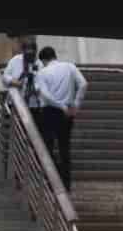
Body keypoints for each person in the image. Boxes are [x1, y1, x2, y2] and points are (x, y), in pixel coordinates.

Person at [32, 46, 87, 190]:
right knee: (64, 148)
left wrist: (60, 105)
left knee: (48, 149)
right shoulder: (69, 66)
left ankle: (50, 184)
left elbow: (46, 95)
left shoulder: (42, 72)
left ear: (43, 60)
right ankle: (66, 185)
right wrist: (75, 105)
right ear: (55, 56)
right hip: (67, 113)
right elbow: (84, 84)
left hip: (49, 112)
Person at [1, 36, 44, 114]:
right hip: (14, 100)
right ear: (23, 51)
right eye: (27, 54)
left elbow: (41, 83)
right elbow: (5, 76)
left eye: (32, 54)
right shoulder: (15, 60)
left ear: (36, 52)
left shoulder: (39, 64)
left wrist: (33, 88)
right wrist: (15, 82)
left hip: (32, 104)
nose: (30, 57)